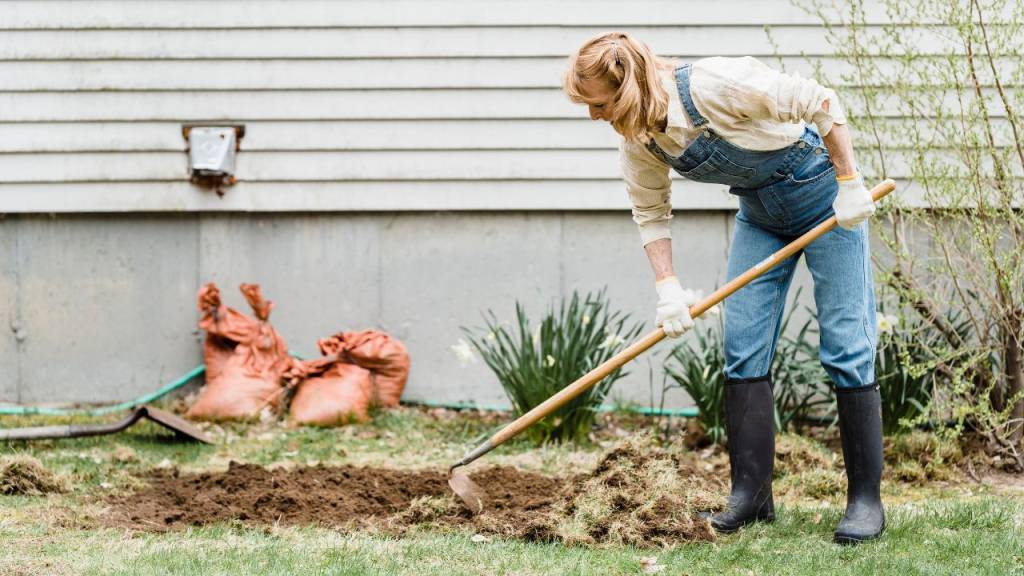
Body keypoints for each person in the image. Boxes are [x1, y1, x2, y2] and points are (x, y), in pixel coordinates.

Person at [562, 32, 884, 545]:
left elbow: (820, 101)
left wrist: (849, 183)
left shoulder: (714, 85)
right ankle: (751, 497)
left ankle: (866, 502)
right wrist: (668, 288)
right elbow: (651, 212)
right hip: (761, 217)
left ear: (623, 89)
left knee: (847, 345)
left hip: (827, 202)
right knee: (742, 349)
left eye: (598, 104)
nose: (593, 115)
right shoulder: (642, 138)